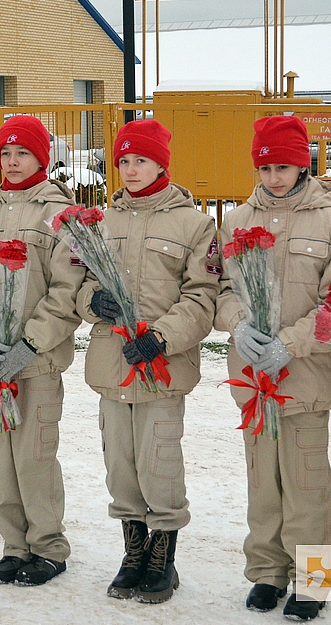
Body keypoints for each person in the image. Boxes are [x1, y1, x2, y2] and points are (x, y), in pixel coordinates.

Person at [215, 116, 331, 621]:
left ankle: (312, 579)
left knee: (306, 483)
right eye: (266, 166)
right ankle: (269, 572)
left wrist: (290, 344)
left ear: (304, 165)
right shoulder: (234, 222)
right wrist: (237, 327)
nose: (275, 177)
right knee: (263, 482)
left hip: (306, 377)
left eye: (286, 166)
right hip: (254, 378)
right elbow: (222, 291)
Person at [74, 119, 217, 604]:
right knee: (120, 465)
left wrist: (162, 337)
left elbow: (203, 296)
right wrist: (93, 302)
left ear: (161, 163)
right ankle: (133, 553)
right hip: (112, 364)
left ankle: (163, 558)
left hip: (160, 366)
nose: (131, 170)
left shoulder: (195, 225)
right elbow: (80, 285)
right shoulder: (102, 222)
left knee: (159, 462)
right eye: (124, 161)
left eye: (141, 160)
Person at [0, 115, 84, 586]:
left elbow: (67, 290)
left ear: (41, 158)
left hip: (38, 362)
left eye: (22, 153)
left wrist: (30, 343)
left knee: (34, 455)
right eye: (5, 153)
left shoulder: (57, 214)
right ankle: (14, 545)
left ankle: (48, 546)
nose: (11, 161)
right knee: (1, 459)